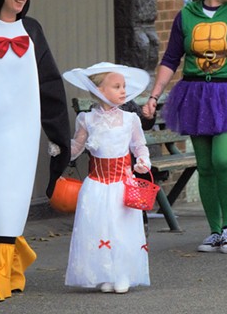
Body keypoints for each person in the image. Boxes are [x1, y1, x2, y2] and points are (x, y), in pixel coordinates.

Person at [142, 0, 227, 254]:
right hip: (196, 95)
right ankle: (215, 230)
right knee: (205, 166)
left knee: (222, 159)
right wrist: (154, 95)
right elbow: (171, 59)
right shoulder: (187, 14)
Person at [0, 0, 71, 302]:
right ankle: (17, 261)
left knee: (8, 193)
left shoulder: (32, 31)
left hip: (21, 130)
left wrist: (58, 135)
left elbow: (50, 83)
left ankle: (0, 274)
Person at [62, 62, 151, 294]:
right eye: (117, 86)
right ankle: (103, 273)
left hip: (122, 184)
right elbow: (77, 147)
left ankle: (122, 273)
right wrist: (60, 150)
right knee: (98, 229)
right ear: (100, 90)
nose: (123, 91)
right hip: (96, 185)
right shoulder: (86, 119)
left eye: (124, 86)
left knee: (121, 229)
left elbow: (139, 146)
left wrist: (143, 161)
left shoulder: (130, 119)